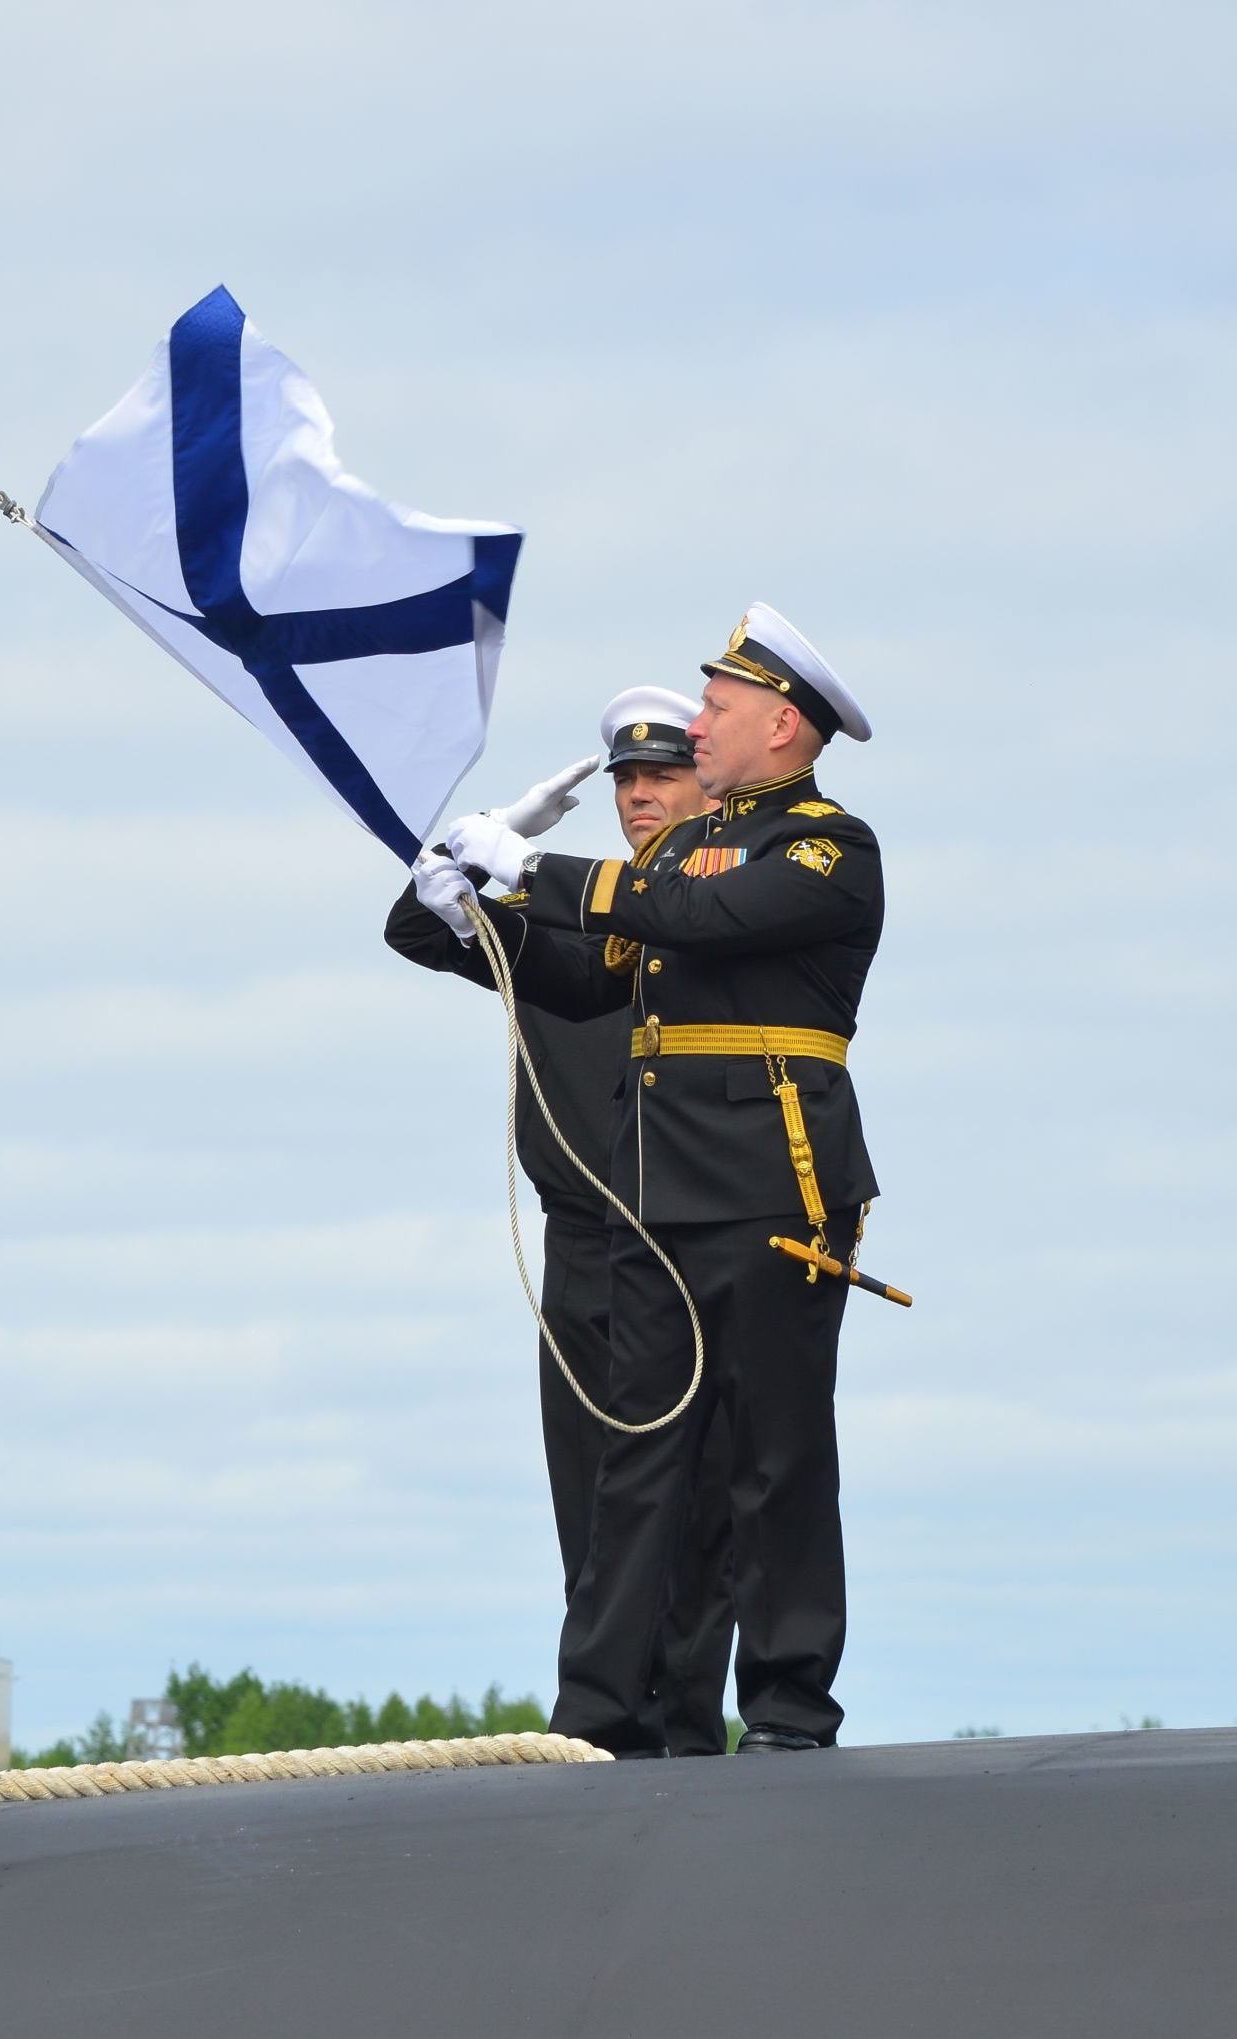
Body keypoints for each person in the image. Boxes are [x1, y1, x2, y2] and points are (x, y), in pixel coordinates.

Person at [434, 604, 883, 1756]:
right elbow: (591, 977)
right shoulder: (680, 850)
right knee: (635, 1466)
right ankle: (596, 1710)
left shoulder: (829, 847)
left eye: (720, 708)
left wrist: (540, 869)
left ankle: (786, 1707)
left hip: (771, 1186)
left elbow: (696, 916)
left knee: (778, 1452)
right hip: (658, 1193)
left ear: (785, 724)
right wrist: (474, 905)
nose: (700, 724)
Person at [385, 691, 735, 1755]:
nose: (638, 797)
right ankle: (611, 1721)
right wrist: (493, 839)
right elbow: (415, 925)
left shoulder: (723, 907)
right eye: (626, 782)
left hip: (685, 1238)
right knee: (587, 1493)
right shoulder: (565, 910)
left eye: (663, 776)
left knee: (699, 1498)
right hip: (581, 1237)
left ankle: (682, 1721)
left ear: (706, 782)